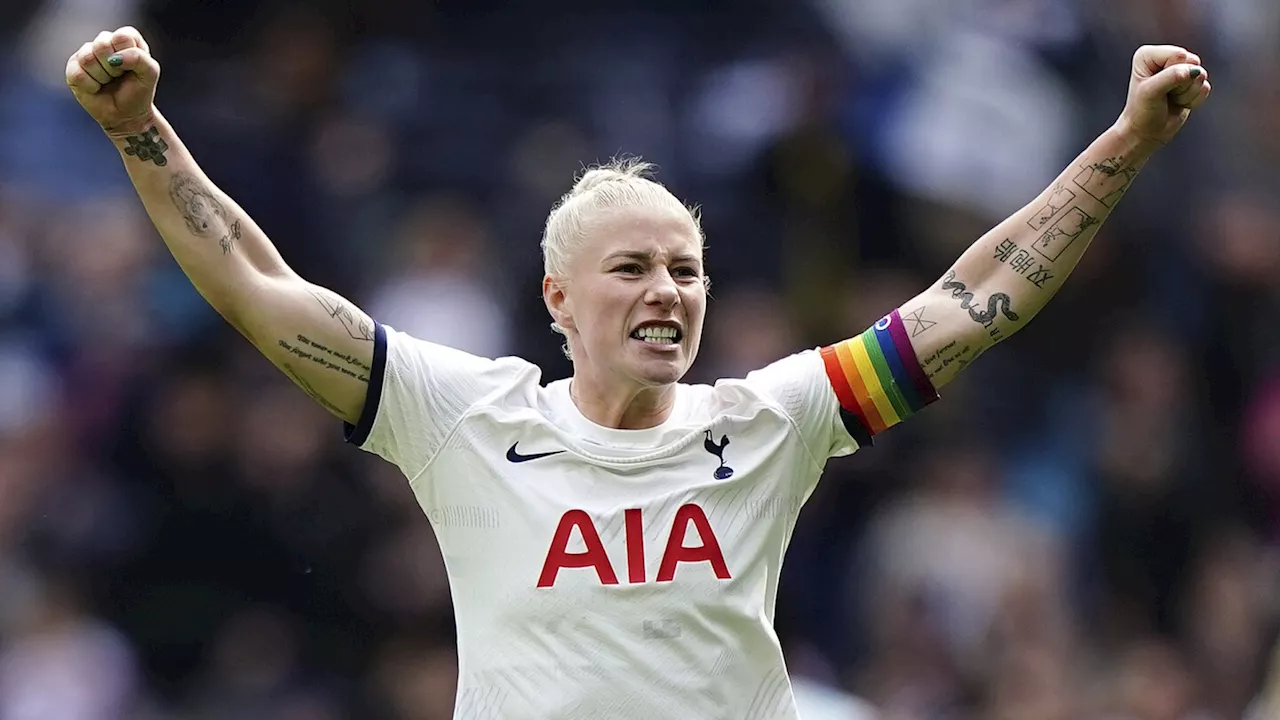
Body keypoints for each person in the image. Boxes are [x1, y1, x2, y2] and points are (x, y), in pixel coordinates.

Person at [65, 27, 1212, 719]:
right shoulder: (464, 413)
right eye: (632, 269)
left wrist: (1124, 142)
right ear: (559, 299)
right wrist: (140, 132)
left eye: (687, 268)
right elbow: (260, 290)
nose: (667, 290)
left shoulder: (772, 419)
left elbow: (966, 305)